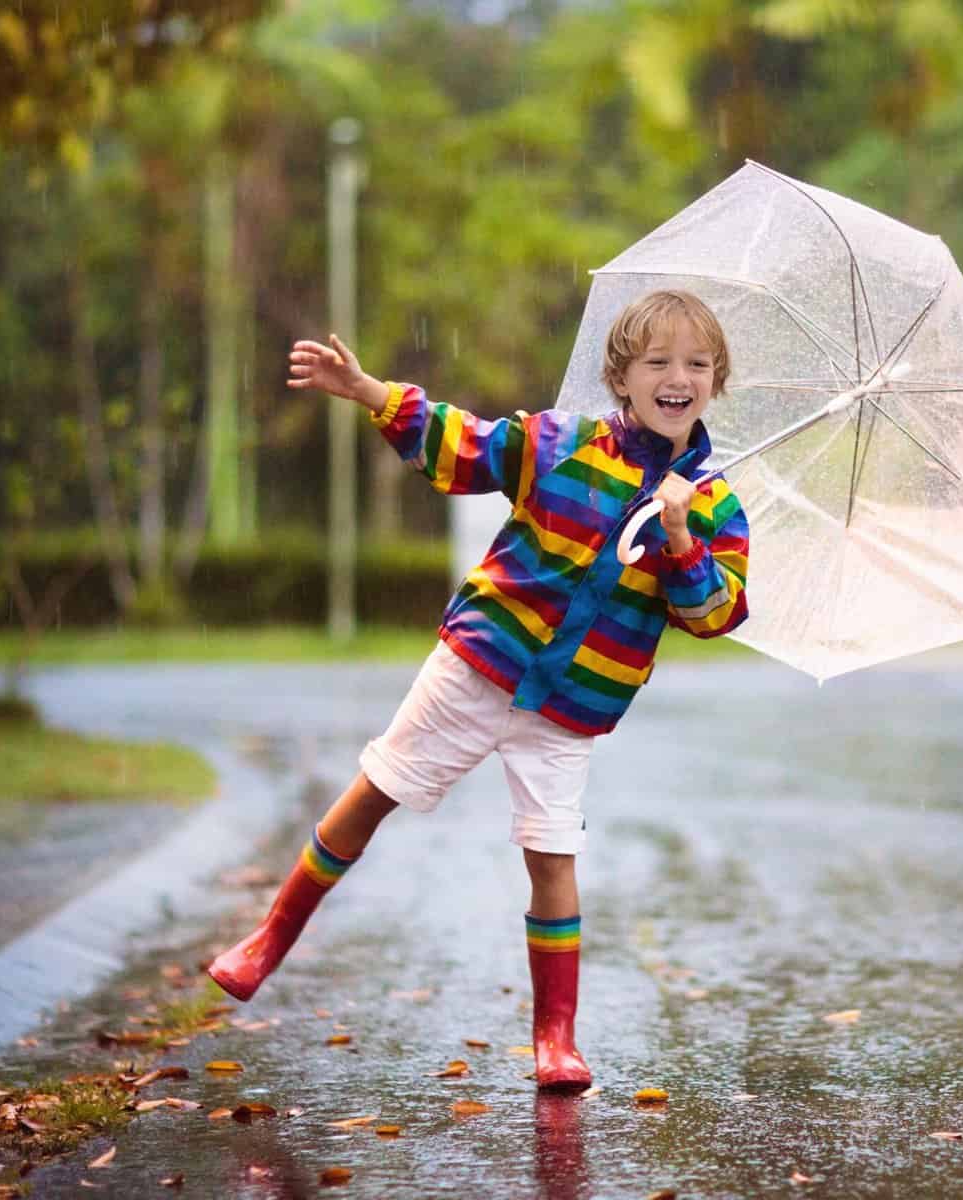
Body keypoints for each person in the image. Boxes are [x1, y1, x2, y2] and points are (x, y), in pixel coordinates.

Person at [206, 289, 750, 1091]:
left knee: (552, 851)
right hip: (480, 664)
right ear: (622, 378)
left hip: (571, 708)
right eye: (659, 362)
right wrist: (371, 393)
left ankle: (555, 1037)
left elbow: (713, 614)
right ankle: (269, 940)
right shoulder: (562, 443)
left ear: (716, 382)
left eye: (697, 365)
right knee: (374, 790)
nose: (679, 377)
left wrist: (677, 539)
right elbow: (470, 446)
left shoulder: (715, 508)